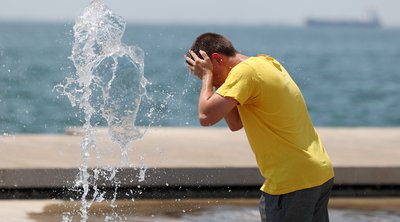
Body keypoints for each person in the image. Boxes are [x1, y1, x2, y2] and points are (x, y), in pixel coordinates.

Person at [184, 32, 334, 222]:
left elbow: (206, 116)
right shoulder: (264, 63)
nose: (213, 85)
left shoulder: (244, 73)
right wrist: (215, 80)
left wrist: (206, 77)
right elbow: (235, 123)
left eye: (212, 75)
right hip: (317, 173)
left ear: (217, 59)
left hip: (292, 181)